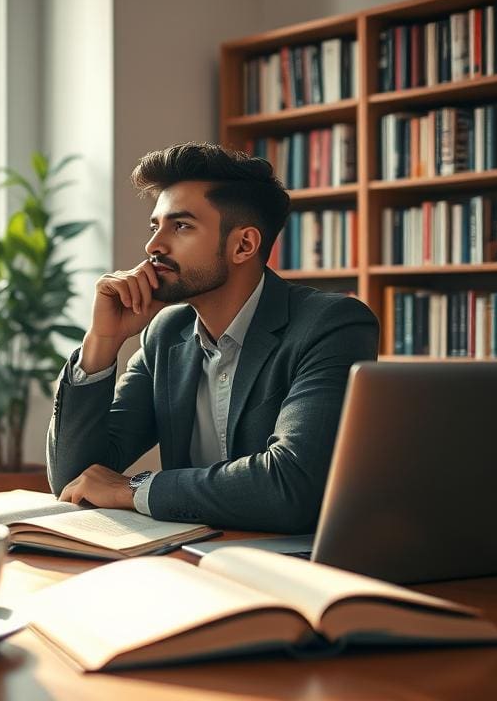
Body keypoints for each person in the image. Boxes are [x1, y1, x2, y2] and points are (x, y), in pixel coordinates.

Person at [46, 142, 379, 533]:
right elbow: (74, 478)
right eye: (156, 226)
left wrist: (134, 488)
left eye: (181, 226)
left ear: (243, 245)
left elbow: (290, 486)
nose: (153, 246)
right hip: (190, 557)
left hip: (296, 565)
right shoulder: (165, 334)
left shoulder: (331, 325)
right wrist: (102, 340)